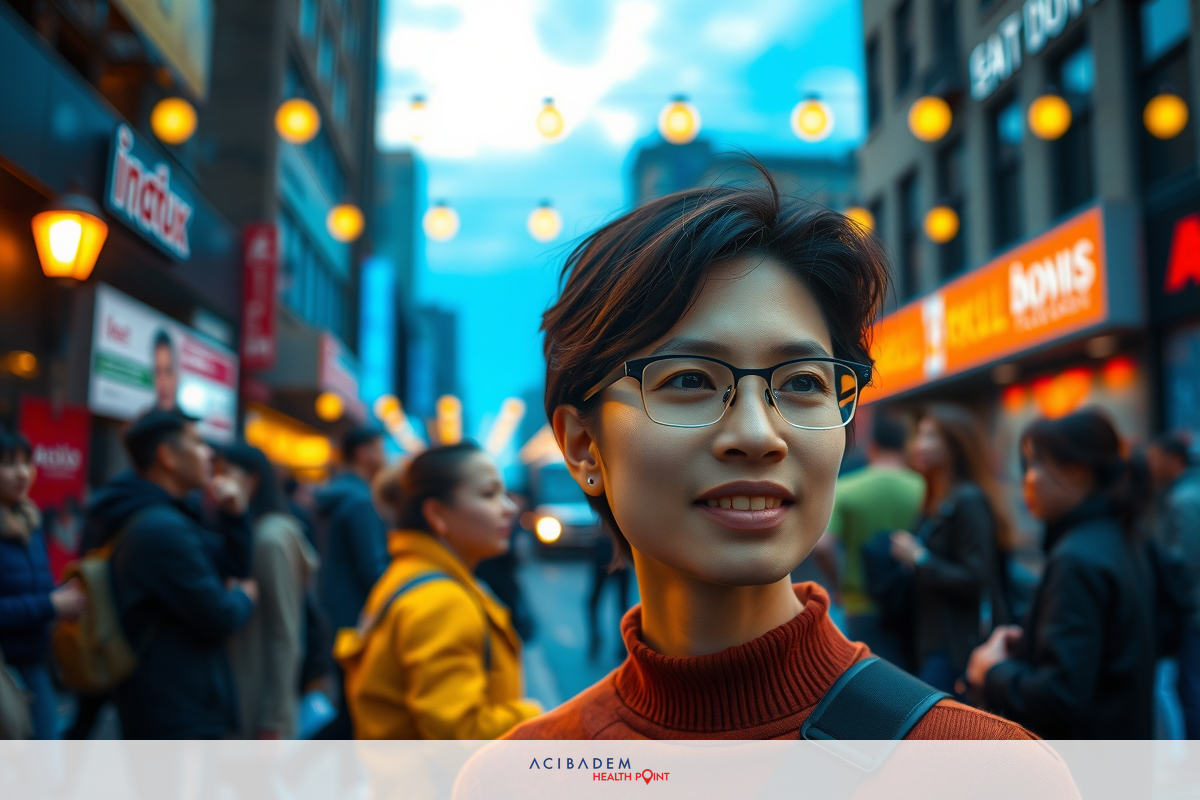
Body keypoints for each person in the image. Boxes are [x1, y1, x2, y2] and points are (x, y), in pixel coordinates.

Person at [502, 177, 1036, 740]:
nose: (759, 435)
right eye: (689, 379)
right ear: (583, 444)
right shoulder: (513, 779)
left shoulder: (985, 771)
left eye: (804, 381)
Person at [966, 409, 1157, 738]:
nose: (1026, 480)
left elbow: (1062, 697)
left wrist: (992, 670)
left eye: (1035, 465)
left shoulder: (1076, 558)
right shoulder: (1121, 535)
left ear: (1078, 473)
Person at [337, 442, 541, 738]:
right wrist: (533, 715)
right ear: (437, 514)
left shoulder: (413, 574)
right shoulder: (441, 602)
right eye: (489, 494)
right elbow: (460, 735)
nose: (509, 508)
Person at [86, 409, 257, 738]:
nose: (209, 453)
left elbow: (232, 566)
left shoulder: (165, 517)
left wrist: (236, 516)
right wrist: (244, 597)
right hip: (177, 711)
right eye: (197, 442)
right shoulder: (161, 529)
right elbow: (217, 615)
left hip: (171, 701)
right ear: (168, 457)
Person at [889, 405, 1013, 694]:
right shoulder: (935, 499)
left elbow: (976, 576)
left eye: (930, 436)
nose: (919, 445)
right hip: (931, 637)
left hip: (958, 643)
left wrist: (918, 558)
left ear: (956, 445)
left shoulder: (967, 499)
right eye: (919, 435)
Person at [218, 443, 319, 739]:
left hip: (258, 705)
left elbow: (284, 633)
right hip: (244, 695)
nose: (216, 481)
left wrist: (273, 718)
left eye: (225, 473)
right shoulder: (249, 530)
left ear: (254, 479)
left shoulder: (270, 539)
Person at [814, 410, 924, 669]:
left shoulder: (846, 488)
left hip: (860, 602)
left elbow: (823, 546)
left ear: (873, 446)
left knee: (870, 681)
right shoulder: (923, 487)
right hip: (914, 605)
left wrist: (838, 583)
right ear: (904, 448)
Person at [0, 427, 87, 739]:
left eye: (26, 463)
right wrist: (50, 604)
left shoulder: (30, 521)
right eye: (8, 464)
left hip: (34, 662)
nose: (22, 473)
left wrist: (60, 599)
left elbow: (29, 587)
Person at [314, 426, 389, 738]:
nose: (385, 457)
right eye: (380, 448)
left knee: (348, 708)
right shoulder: (360, 502)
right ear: (363, 453)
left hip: (333, 610)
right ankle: (288, 771)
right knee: (353, 712)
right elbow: (373, 568)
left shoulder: (335, 494)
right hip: (354, 618)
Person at [1147, 431, 1200, 737]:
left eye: (1154, 459)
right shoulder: (1183, 494)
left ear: (1173, 460)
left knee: (1190, 690)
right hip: (1191, 611)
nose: (1150, 466)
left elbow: (1185, 562)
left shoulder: (1183, 500)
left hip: (1192, 614)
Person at [152, 329, 178, 411]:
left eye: (168, 371)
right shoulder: (143, 421)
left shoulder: (186, 423)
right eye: (158, 372)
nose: (163, 384)